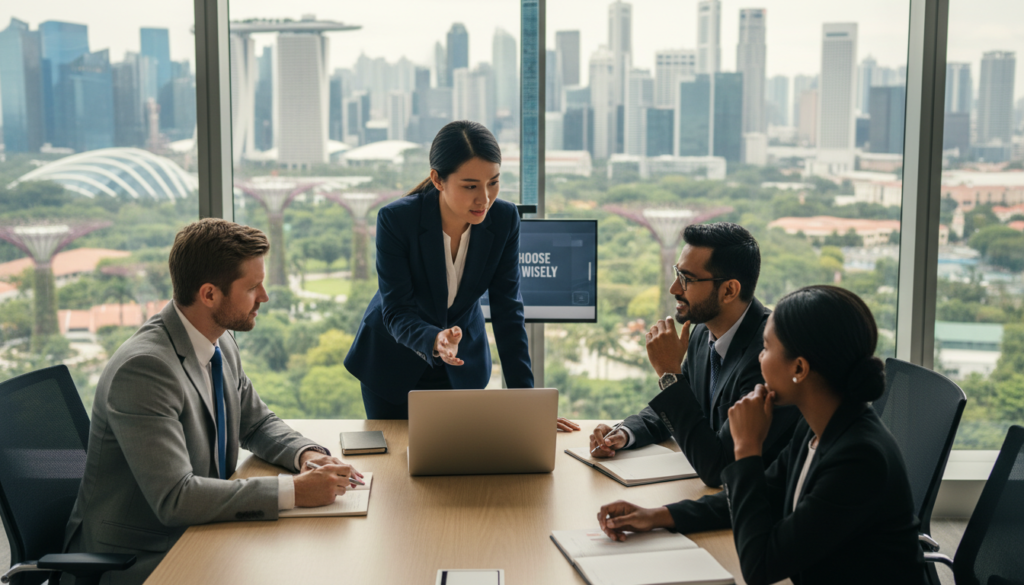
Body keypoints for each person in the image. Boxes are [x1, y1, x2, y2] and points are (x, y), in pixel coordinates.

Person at [63, 219, 362, 585]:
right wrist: (295, 490)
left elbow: (255, 423)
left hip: (202, 532)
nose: (264, 296)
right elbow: (176, 497)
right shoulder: (145, 370)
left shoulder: (219, 341)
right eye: (252, 287)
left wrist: (306, 455)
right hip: (138, 558)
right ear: (209, 294)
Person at [596, 286, 924, 585]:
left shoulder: (858, 459)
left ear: (799, 369)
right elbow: (763, 495)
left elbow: (761, 567)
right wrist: (658, 516)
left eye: (765, 348)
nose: (759, 358)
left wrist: (747, 448)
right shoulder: (817, 425)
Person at [344, 120, 578, 431]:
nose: (485, 198)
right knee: (395, 466)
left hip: (461, 365)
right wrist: (435, 338)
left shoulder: (504, 219)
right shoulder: (396, 220)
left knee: (458, 463)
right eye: (470, 186)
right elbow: (397, 311)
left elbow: (508, 312)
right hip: (393, 363)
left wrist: (529, 404)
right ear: (437, 180)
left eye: (493, 182)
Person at [588, 223, 800, 486]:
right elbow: (682, 408)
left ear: (729, 291)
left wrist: (669, 374)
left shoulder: (770, 357)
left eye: (687, 279)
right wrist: (625, 433)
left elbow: (718, 467)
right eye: (678, 274)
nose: (674, 288)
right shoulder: (701, 333)